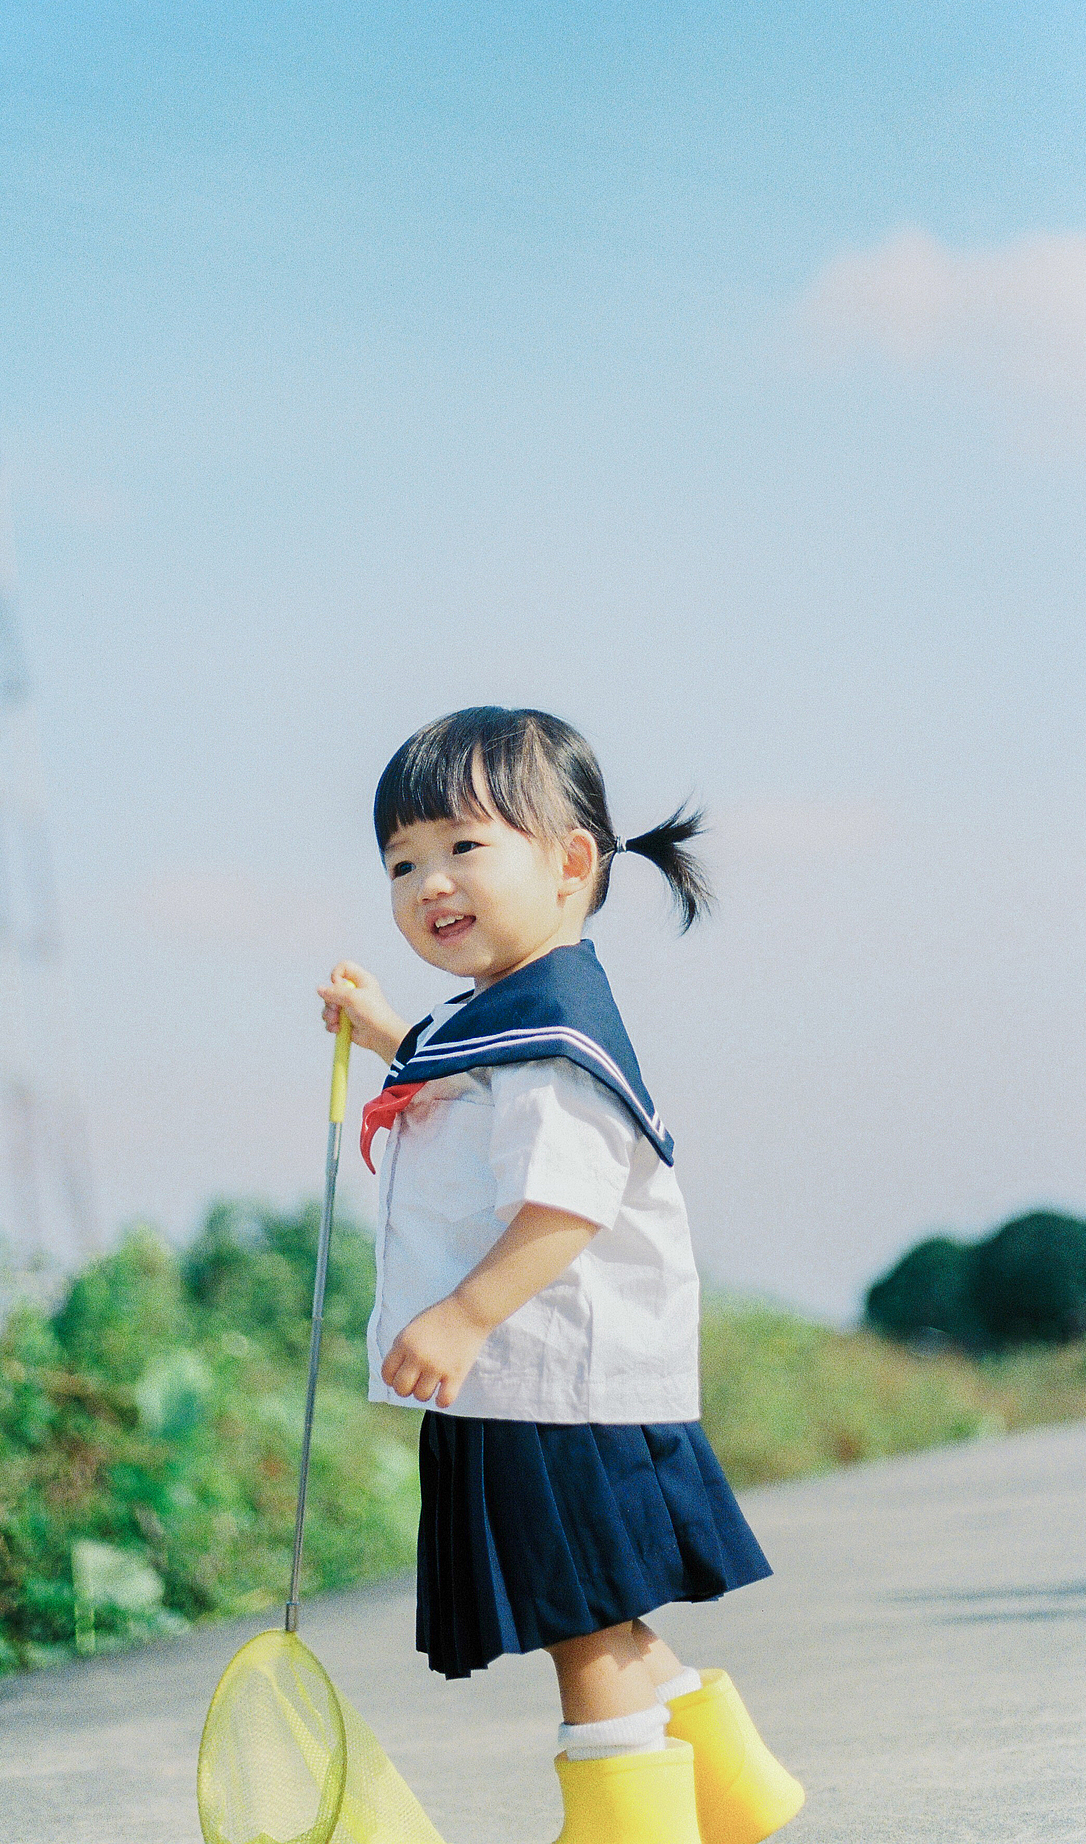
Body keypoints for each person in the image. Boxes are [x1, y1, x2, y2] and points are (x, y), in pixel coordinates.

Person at [317, 706, 804, 1844]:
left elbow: (563, 1203)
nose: (427, 880)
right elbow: (466, 1078)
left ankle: (629, 1830)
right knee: (607, 1610)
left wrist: (460, 1315)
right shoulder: (520, 1012)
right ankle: (734, 1799)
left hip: (550, 1388)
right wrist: (387, 1031)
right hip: (554, 1386)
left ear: (571, 861)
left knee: (583, 1632)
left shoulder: (551, 1039)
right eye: (401, 859)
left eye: (462, 846)